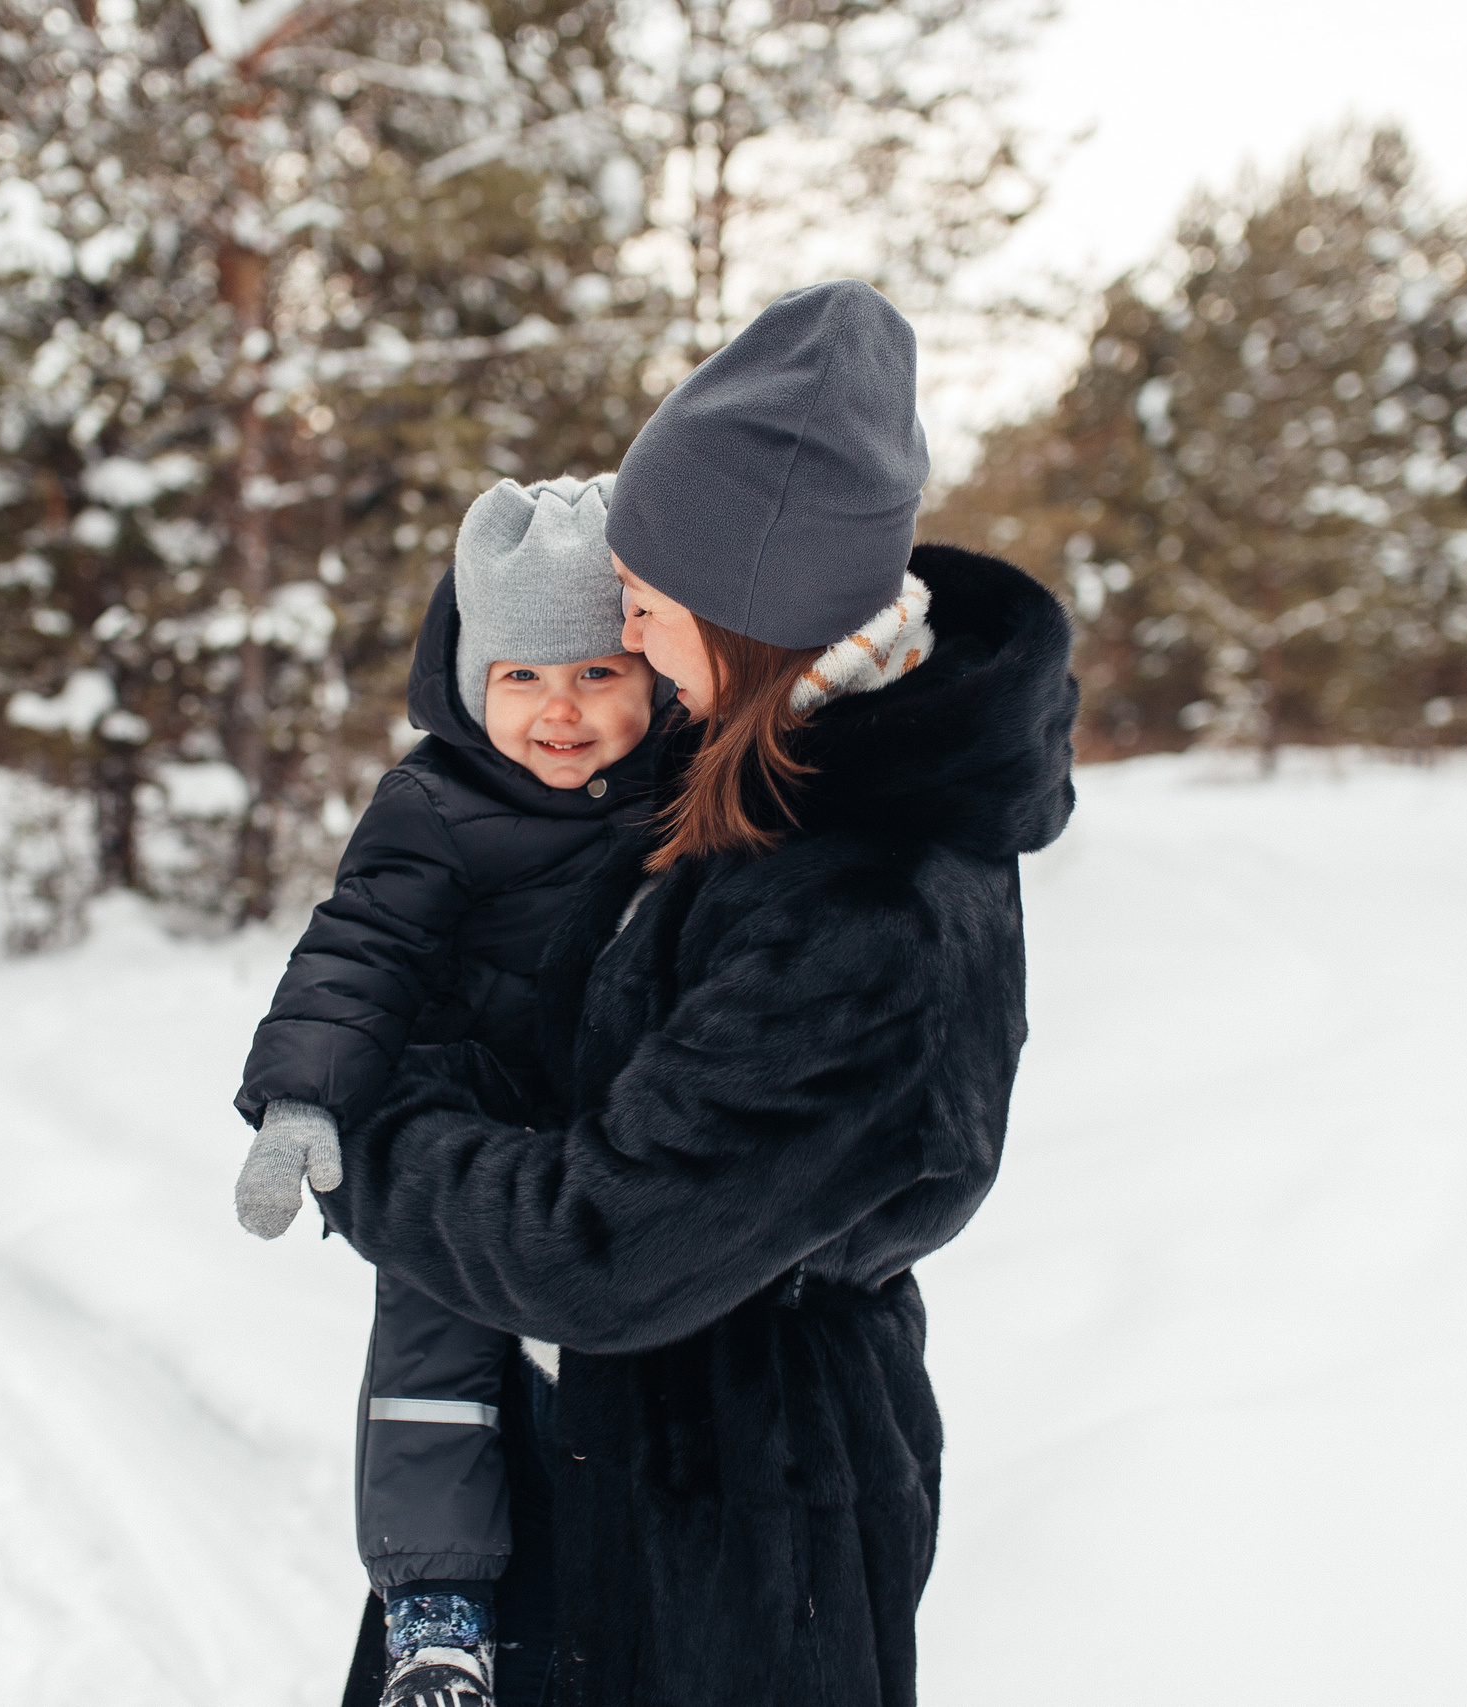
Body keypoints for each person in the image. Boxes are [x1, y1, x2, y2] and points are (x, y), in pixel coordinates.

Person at [316, 280, 1080, 1707]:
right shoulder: (768, 760)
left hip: (724, 1525)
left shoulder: (868, 905)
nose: (638, 645)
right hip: (596, 1458)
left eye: (652, 610)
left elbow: (598, 1242)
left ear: (749, 605)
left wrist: (370, 1135)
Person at [233, 473, 669, 1707]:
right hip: (462, 1115)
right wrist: (302, 1100)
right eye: (521, 677)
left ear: (652, 673)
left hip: (602, 1134)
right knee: (432, 1337)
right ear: (472, 678)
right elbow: (358, 952)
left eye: (594, 673)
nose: (559, 712)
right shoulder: (435, 801)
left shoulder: (685, 801)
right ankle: (436, 1600)